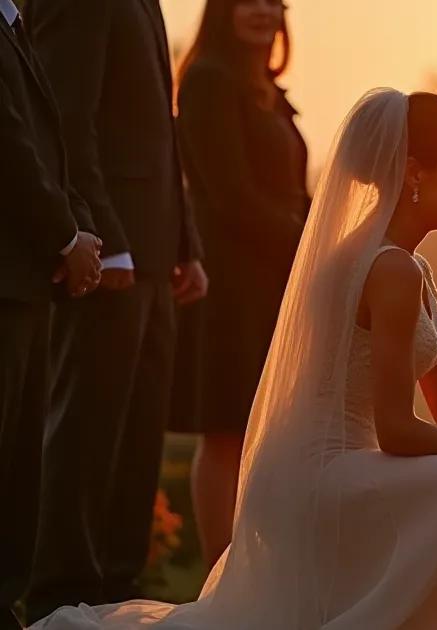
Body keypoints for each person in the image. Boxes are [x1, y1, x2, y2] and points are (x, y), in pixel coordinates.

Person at [31, 89, 437, 630]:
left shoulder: (414, 271)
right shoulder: (388, 271)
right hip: (317, 479)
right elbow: (398, 430)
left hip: (348, 470)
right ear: (413, 173)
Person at [24, 0, 207, 619]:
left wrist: (186, 243)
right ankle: (61, 595)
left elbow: (162, 129)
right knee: (86, 429)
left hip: (156, 256)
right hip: (109, 257)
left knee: (137, 439)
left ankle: (117, 595)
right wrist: (105, 236)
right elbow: (67, 121)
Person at [170, 0, 310, 567]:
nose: (262, 12)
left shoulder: (271, 92)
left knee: (275, 429)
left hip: (279, 281)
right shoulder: (208, 82)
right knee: (228, 427)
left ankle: (268, 568)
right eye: (246, 1)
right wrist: (305, 241)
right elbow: (227, 192)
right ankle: (219, 571)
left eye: (272, 2)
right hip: (229, 282)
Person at [0, 0, 102, 626]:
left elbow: (45, 141)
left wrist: (76, 231)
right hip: (9, 275)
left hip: (25, 279)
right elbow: (9, 142)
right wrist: (66, 238)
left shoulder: (15, 25)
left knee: (18, 457)